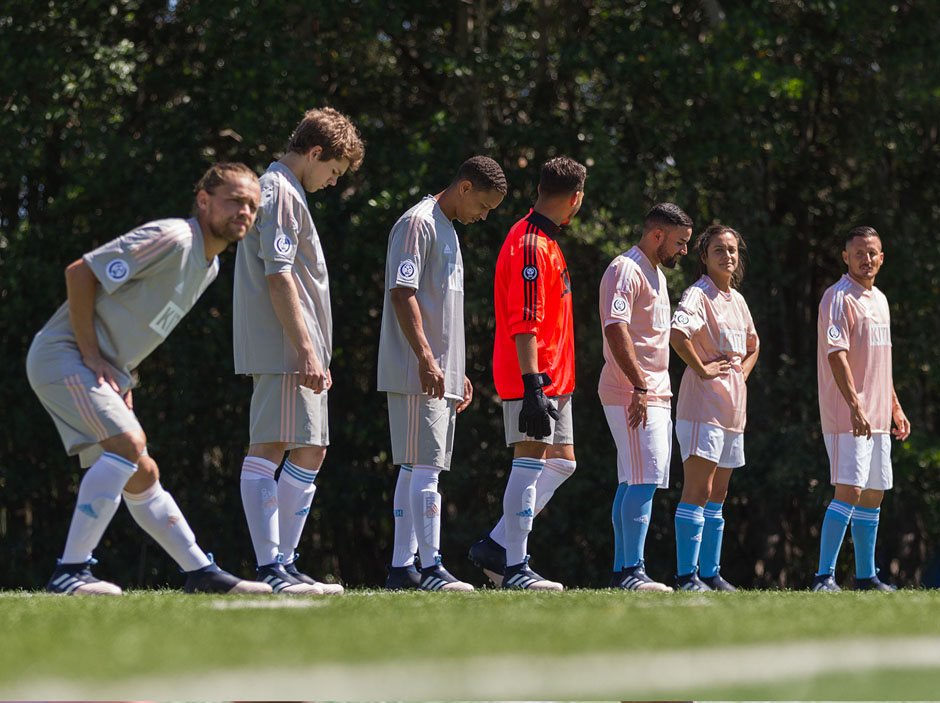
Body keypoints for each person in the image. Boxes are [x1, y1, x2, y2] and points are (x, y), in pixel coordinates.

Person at [27, 163, 270, 595]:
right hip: (61, 357)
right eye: (234, 200)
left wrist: (121, 376)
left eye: (251, 205)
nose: (244, 211)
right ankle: (70, 571)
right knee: (128, 445)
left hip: (100, 368)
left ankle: (201, 573)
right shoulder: (174, 238)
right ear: (204, 200)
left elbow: (137, 323)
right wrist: (90, 356)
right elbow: (81, 272)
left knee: (142, 470)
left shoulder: (208, 266)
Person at [233, 107, 364, 595]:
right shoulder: (281, 191)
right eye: (333, 171)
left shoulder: (281, 190)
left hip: (295, 347)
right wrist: (307, 350)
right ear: (314, 154)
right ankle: (272, 569)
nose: (333, 182)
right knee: (270, 447)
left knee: (311, 448)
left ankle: (283, 565)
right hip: (287, 348)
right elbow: (279, 274)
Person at [379, 156, 506, 591]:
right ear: (465, 187)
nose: (484, 216)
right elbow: (402, 293)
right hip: (419, 370)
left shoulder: (448, 228)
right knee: (428, 467)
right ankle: (431, 568)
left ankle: (403, 568)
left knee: (416, 467)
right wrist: (429, 360)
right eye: (484, 206)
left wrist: (455, 370)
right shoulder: (419, 223)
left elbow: (440, 308)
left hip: (437, 371)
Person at [468, 156, 586, 591]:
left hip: (558, 378)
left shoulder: (546, 240)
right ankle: (515, 566)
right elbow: (524, 322)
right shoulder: (532, 244)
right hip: (535, 378)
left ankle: (498, 544)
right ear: (575, 199)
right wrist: (533, 386)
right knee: (530, 462)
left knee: (563, 463)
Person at [599, 202, 692, 591]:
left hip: (650, 391)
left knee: (635, 479)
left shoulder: (655, 273)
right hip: (633, 391)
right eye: (680, 242)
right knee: (644, 477)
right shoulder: (626, 269)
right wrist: (638, 384)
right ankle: (632, 571)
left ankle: (625, 569)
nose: (684, 251)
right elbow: (615, 328)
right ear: (658, 235)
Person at [812, 226, 910, 591]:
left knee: (873, 491)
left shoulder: (880, 299)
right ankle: (824, 576)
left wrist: (895, 406)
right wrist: (854, 405)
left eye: (872, 253)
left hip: (879, 417)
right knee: (849, 490)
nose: (866, 259)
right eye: (859, 253)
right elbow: (836, 356)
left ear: (881, 257)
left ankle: (866, 576)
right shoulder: (838, 297)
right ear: (845, 257)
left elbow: (879, 362)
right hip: (848, 416)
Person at [669, 225, 759, 591]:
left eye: (733, 250)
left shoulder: (737, 299)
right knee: (698, 489)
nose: (728, 256)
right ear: (703, 257)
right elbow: (678, 334)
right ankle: (685, 575)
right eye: (719, 250)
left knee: (719, 493)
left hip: (732, 411)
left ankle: (710, 573)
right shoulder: (698, 294)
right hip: (701, 408)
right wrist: (703, 367)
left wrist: (741, 374)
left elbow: (754, 345)